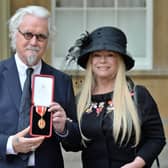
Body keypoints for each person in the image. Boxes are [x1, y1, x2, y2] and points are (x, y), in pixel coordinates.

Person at [64, 26, 166, 168]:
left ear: (120, 60)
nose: (103, 60)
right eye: (97, 55)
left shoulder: (138, 96)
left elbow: (156, 138)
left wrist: (138, 163)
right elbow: (74, 145)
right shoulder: (80, 100)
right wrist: (62, 127)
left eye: (110, 55)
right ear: (90, 61)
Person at [0, 5, 78, 168]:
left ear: (48, 40)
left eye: (41, 36)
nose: (34, 42)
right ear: (15, 34)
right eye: (28, 34)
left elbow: (75, 144)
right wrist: (9, 144)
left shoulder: (61, 80)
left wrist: (64, 127)